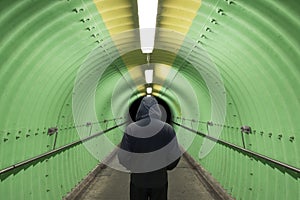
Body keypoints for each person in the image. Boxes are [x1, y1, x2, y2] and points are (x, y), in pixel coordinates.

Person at [118, 96, 181, 200]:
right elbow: (174, 156)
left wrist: (133, 167)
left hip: (138, 180)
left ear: (140, 109)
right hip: (159, 180)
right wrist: (165, 167)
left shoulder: (131, 129)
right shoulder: (167, 129)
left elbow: (123, 156)